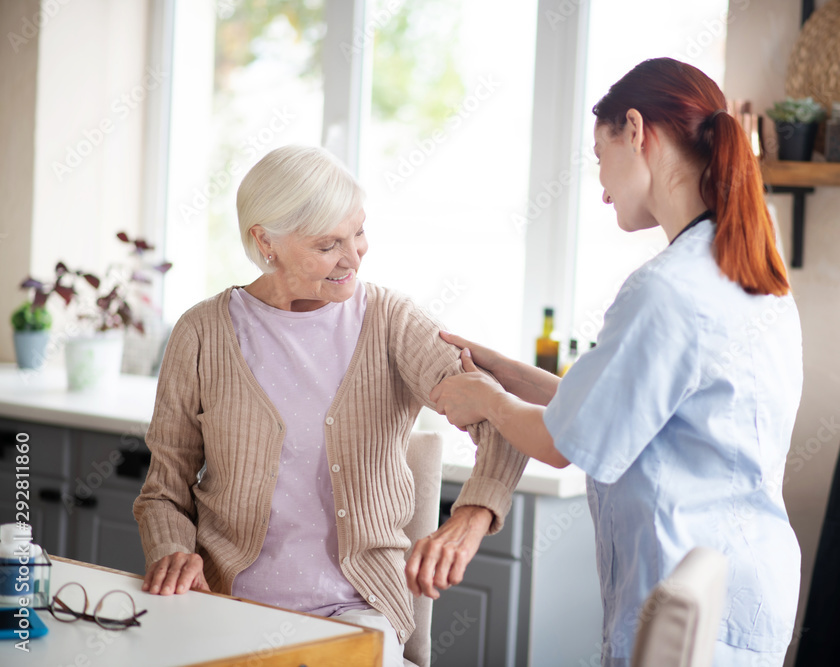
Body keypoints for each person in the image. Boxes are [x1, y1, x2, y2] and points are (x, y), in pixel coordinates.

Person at [426, 58, 803, 666]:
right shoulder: (747, 273)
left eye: (599, 156)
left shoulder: (666, 289)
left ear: (635, 130)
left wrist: (486, 401)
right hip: (745, 592)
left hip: (690, 608)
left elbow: (561, 444)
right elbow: (612, 410)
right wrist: (503, 370)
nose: (601, 187)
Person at [133, 145, 528, 667]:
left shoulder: (392, 322)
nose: (353, 257)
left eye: (358, 233)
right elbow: (164, 490)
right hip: (225, 602)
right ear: (265, 242)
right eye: (327, 245)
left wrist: (471, 517)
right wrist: (172, 550)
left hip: (356, 609)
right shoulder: (202, 332)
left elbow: (504, 419)